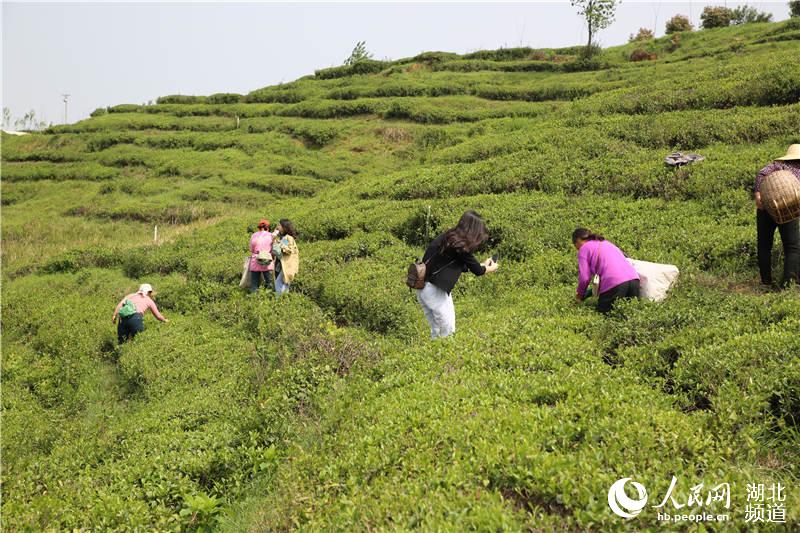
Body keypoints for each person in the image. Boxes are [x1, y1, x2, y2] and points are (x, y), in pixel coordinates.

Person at [417, 210, 499, 339]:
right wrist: (491, 267)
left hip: (423, 288)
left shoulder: (449, 237)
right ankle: (445, 358)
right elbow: (478, 271)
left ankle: (435, 356)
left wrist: (482, 264)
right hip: (434, 291)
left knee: (436, 331)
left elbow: (460, 265)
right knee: (448, 331)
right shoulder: (461, 246)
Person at [754, 144, 800, 288]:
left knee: (764, 245)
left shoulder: (775, 166)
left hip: (766, 207)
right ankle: (788, 283)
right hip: (787, 209)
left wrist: (757, 193)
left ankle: (766, 282)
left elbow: (761, 174)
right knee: (792, 246)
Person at [573, 228, 640, 314]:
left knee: (603, 315)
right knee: (630, 314)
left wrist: (579, 296)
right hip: (634, 281)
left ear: (578, 240)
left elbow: (584, 278)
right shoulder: (606, 243)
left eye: (575, 244)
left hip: (615, 285)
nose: (577, 248)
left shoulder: (584, 248)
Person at [271, 219, 299, 295]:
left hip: (287, 265)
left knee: (279, 283)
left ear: (284, 227)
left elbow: (289, 250)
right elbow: (277, 251)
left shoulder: (289, 238)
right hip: (280, 264)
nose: (277, 227)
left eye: (279, 225)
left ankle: (280, 300)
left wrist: (279, 244)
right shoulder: (282, 238)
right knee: (284, 284)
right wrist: (274, 239)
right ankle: (284, 301)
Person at [248, 219, 275, 292]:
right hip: (267, 260)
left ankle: (254, 298)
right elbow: (273, 249)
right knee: (269, 283)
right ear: (268, 227)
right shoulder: (271, 235)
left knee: (254, 284)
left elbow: (251, 249)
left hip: (255, 259)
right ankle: (269, 298)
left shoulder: (253, 235)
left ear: (259, 227)